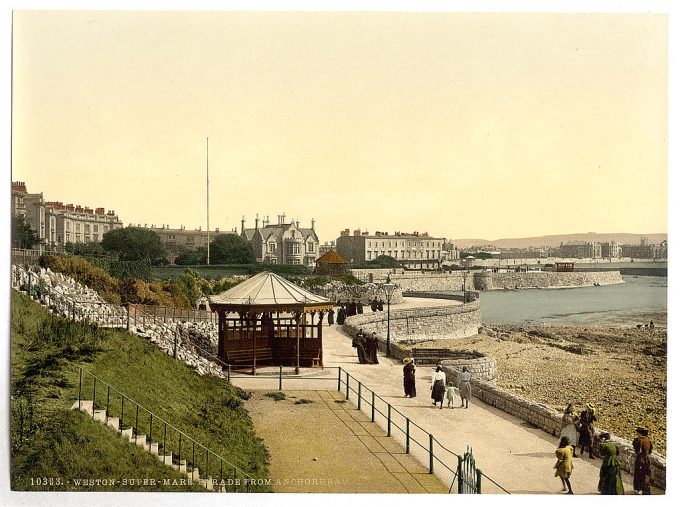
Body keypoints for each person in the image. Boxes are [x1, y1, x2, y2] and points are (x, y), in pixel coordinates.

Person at [633, 426, 653, 495]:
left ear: (640, 433)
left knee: (639, 474)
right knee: (646, 473)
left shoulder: (639, 440)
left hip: (640, 459)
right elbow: (650, 451)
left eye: (638, 433)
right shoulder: (648, 440)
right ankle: (646, 489)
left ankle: (639, 489)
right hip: (647, 459)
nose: (637, 434)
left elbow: (637, 451)